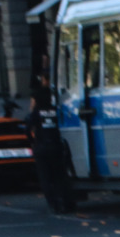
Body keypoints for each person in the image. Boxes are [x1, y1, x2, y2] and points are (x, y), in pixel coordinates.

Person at [27, 82, 73, 213]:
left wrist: (33, 142)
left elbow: (27, 129)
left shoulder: (36, 113)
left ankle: (53, 203)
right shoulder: (55, 110)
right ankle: (63, 201)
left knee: (45, 177)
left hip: (41, 146)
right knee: (59, 175)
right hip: (56, 145)